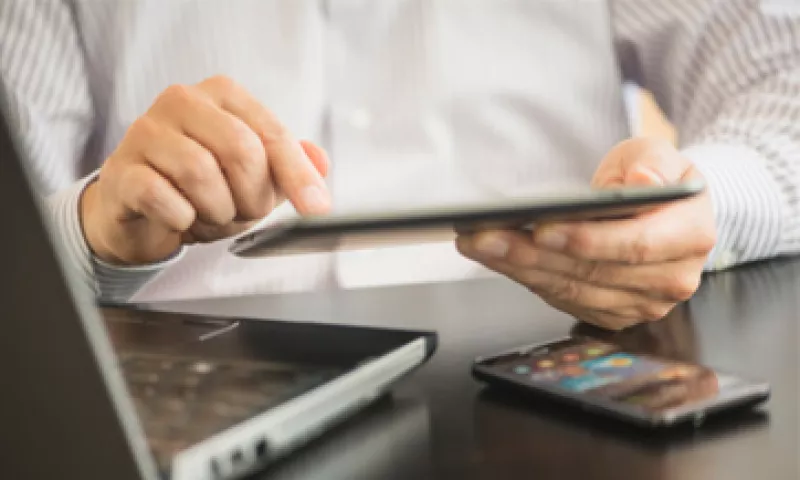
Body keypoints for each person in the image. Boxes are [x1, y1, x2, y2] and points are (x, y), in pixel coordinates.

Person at [1, 1, 798, 331]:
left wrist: (696, 204)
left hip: (559, 380)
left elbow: (783, 87)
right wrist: (91, 233)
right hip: (180, 392)